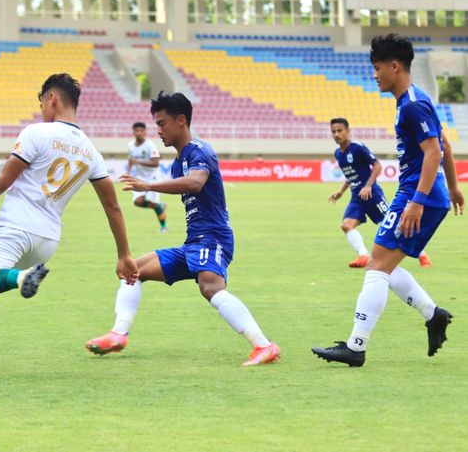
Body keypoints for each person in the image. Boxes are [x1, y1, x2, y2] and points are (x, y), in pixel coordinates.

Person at [0, 73, 139, 369]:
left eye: (42, 103)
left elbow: (2, 181)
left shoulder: (37, 133)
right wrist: (124, 254)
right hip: (47, 241)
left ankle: (23, 278)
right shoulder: (90, 151)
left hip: (15, 227)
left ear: (52, 99)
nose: (42, 111)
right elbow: (113, 207)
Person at [86, 91, 280, 366]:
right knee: (133, 270)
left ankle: (264, 345)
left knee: (210, 287)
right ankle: (118, 335)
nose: (158, 131)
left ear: (181, 121)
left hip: (213, 238)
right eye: (156, 124)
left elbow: (195, 183)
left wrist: (148, 186)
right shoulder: (180, 160)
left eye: (162, 124)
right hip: (194, 242)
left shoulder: (200, 151)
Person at [312, 34, 464, 367]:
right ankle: (433, 314)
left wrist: (418, 200)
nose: (375, 74)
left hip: (416, 195)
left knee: (377, 265)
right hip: (422, 194)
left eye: (377, 68)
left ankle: (356, 347)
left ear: (394, 66)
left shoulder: (412, 105)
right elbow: (445, 147)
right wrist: (452, 187)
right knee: (383, 263)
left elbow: (434, 152)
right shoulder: (412, 100)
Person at [328, 117, 432, 268]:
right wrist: (341, 191)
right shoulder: (338, 153)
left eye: (339, 130)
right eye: (333, 131)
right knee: (346, 225)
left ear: (347, 131)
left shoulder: (357, 147)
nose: (336, 134)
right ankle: (363, 255)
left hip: (372, 196)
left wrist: (368, 185)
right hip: (357, 197)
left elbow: (377, 166)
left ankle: (422, 255)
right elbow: (350, 174)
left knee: (396, 226)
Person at [128, 121, 168, 232]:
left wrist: (138, 161)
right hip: (140, 177)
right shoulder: (130, 146)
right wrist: (129, 171)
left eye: (141, 131)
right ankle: (161, 206)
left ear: (145, 132)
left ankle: (164, 227)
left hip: (153, 177)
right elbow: (131, 160)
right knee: (138, 201)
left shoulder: (150, 145)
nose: (139, 133)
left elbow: (156, 163)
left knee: (153, 203)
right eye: (137, 131)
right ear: (133, 132)